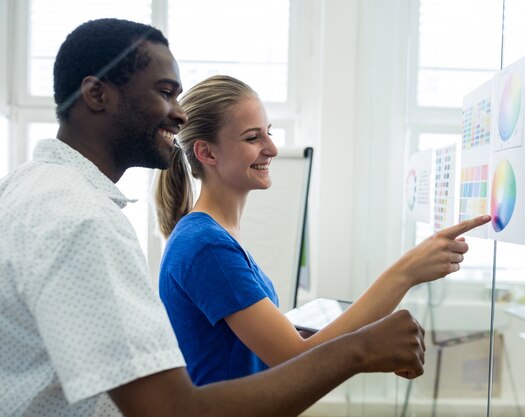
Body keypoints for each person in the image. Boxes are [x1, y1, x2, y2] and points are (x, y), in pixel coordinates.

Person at [0, 18, 434, 417]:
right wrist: (363, 344)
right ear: (97, 94)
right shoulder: (86, 220)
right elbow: (168, 411)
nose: (180, 112)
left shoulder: (31, 188)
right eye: (165, 92)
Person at [154, 75, 491, 385]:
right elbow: (297, 361)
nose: (271, 148)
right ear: (206, 152)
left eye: (268, 132)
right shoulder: (206, 245)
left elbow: (284, 350)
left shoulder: (211, 236)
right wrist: (406, 272)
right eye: (253, 137)